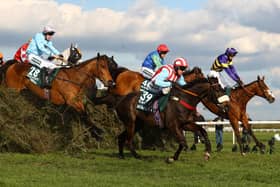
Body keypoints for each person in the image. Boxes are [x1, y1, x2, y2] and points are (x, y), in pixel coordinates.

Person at [147, 57, 188, 127]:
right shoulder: (167, 70)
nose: (183, 71)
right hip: (153, 85)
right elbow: (157, 81)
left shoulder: (179, 75)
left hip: (163, 87)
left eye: (184, 69)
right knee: (167, 89)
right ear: (177, 67)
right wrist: (171, 84)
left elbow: (184, 85)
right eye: (182, 68)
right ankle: (155, 109)